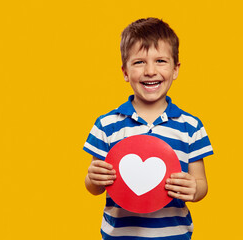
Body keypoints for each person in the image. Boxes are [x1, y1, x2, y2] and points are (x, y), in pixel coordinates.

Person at [83, 18, 213, 240]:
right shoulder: (106, 125)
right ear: (125, 72)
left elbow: (201, 184)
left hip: (174, 236)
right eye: (139, 62)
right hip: (119, 236)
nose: (150, 71)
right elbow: (95, 185)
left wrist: (195, 189)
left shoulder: (191, 127)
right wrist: (93, 179)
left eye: (160, 60)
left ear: (175, 69)